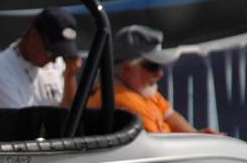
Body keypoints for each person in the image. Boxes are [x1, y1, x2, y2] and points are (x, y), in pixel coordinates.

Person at [89, 24, 217, 134]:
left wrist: (196, 135)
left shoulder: (142, 91)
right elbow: (158, 146)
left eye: (160, 66)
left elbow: (169, 114)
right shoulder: (124, 100)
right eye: (152, 66)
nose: (160, 74)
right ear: (127, 69)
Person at [0, 7, 83, 108]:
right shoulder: (0, 73)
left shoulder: (57, 63)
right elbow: (14, 121)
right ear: (34, 35)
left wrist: (70, 76)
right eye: (51, 52)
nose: (54, 60)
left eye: (59, 54)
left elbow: (71, 114)